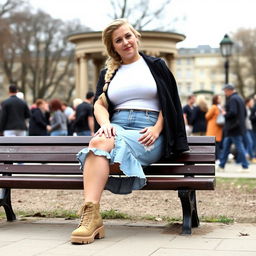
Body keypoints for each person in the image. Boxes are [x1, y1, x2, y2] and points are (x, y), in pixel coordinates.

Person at [70, 19, 189, 244]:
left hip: (148, 132)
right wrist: (105, 124)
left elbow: (170, 101)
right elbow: (99, 104)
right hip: (118, 127)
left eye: (128, 36)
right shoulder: (108, 72)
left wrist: (157, 128)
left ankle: (90, 216)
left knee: (98, 146)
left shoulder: (156, 65)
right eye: (118, 40)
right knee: (98, 143)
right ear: (113, 47)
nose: (125, 42)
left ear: (136, 37)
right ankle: (91, 216)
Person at [218, 84, 249, 171]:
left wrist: (224, 113)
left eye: (225, 91)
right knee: (226, 146)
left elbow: (233, 112)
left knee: (239, 146)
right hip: (237, 127)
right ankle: (221, 165)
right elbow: (245, 113)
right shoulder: (240, 99)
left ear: (229, 90)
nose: (225, 93)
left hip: (233, 128)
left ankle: (245, 166)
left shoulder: (232, 99)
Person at [205, 95, 224, 161]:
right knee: (214, 144)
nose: (221, 100)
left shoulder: (220, 107)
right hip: (213, 128)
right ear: (215, 99)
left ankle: (217, 158)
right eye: (219, 98)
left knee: (217, 144)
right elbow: (207, 116)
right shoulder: (214, 107)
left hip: (218, 128)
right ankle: (215, 158)